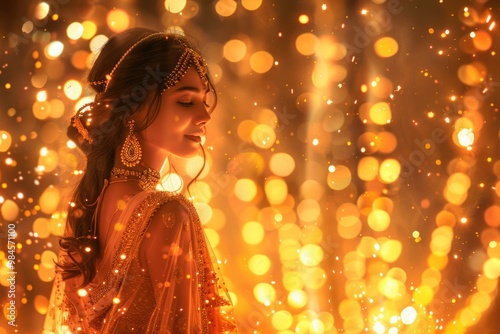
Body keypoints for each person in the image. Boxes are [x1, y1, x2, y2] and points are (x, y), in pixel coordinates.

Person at [44, 27, 237, 333]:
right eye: (186, 101)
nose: (205, 116)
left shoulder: (89, 203)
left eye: (204, 101)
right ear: (133, 107)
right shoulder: (169, 215)